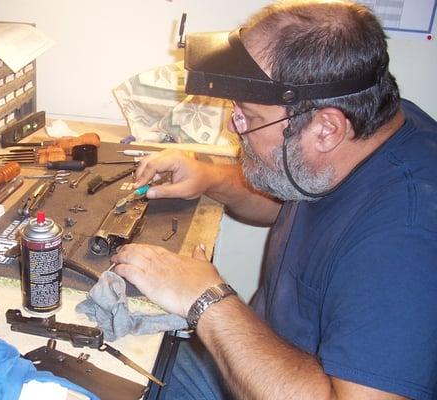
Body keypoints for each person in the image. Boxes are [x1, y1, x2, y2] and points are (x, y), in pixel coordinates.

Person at [110, 1, 437, 399]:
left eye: (249, 116)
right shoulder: (368, 128)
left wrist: (206, 301)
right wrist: (211, 178)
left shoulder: (406, 238)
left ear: (325, 129)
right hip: (257, 354)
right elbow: (290, 199)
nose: (235, 125)